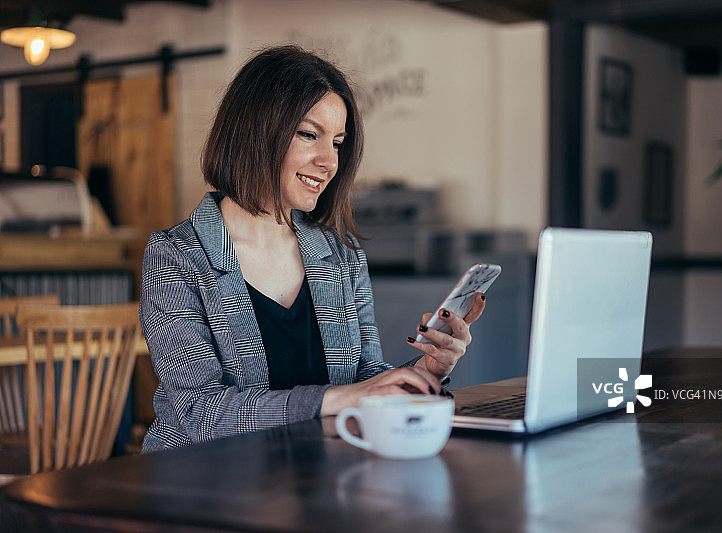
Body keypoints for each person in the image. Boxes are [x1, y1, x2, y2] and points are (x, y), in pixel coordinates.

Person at [139, 45, 485, 452]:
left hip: (321, 477)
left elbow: (365, 379)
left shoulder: (341, 253)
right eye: (309, 135)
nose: (329, 161)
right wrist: (336, 399)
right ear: (253, 131)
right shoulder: (176, 256)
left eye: (337, 142)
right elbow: (201, 413)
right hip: (206, 484)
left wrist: (428, 368)